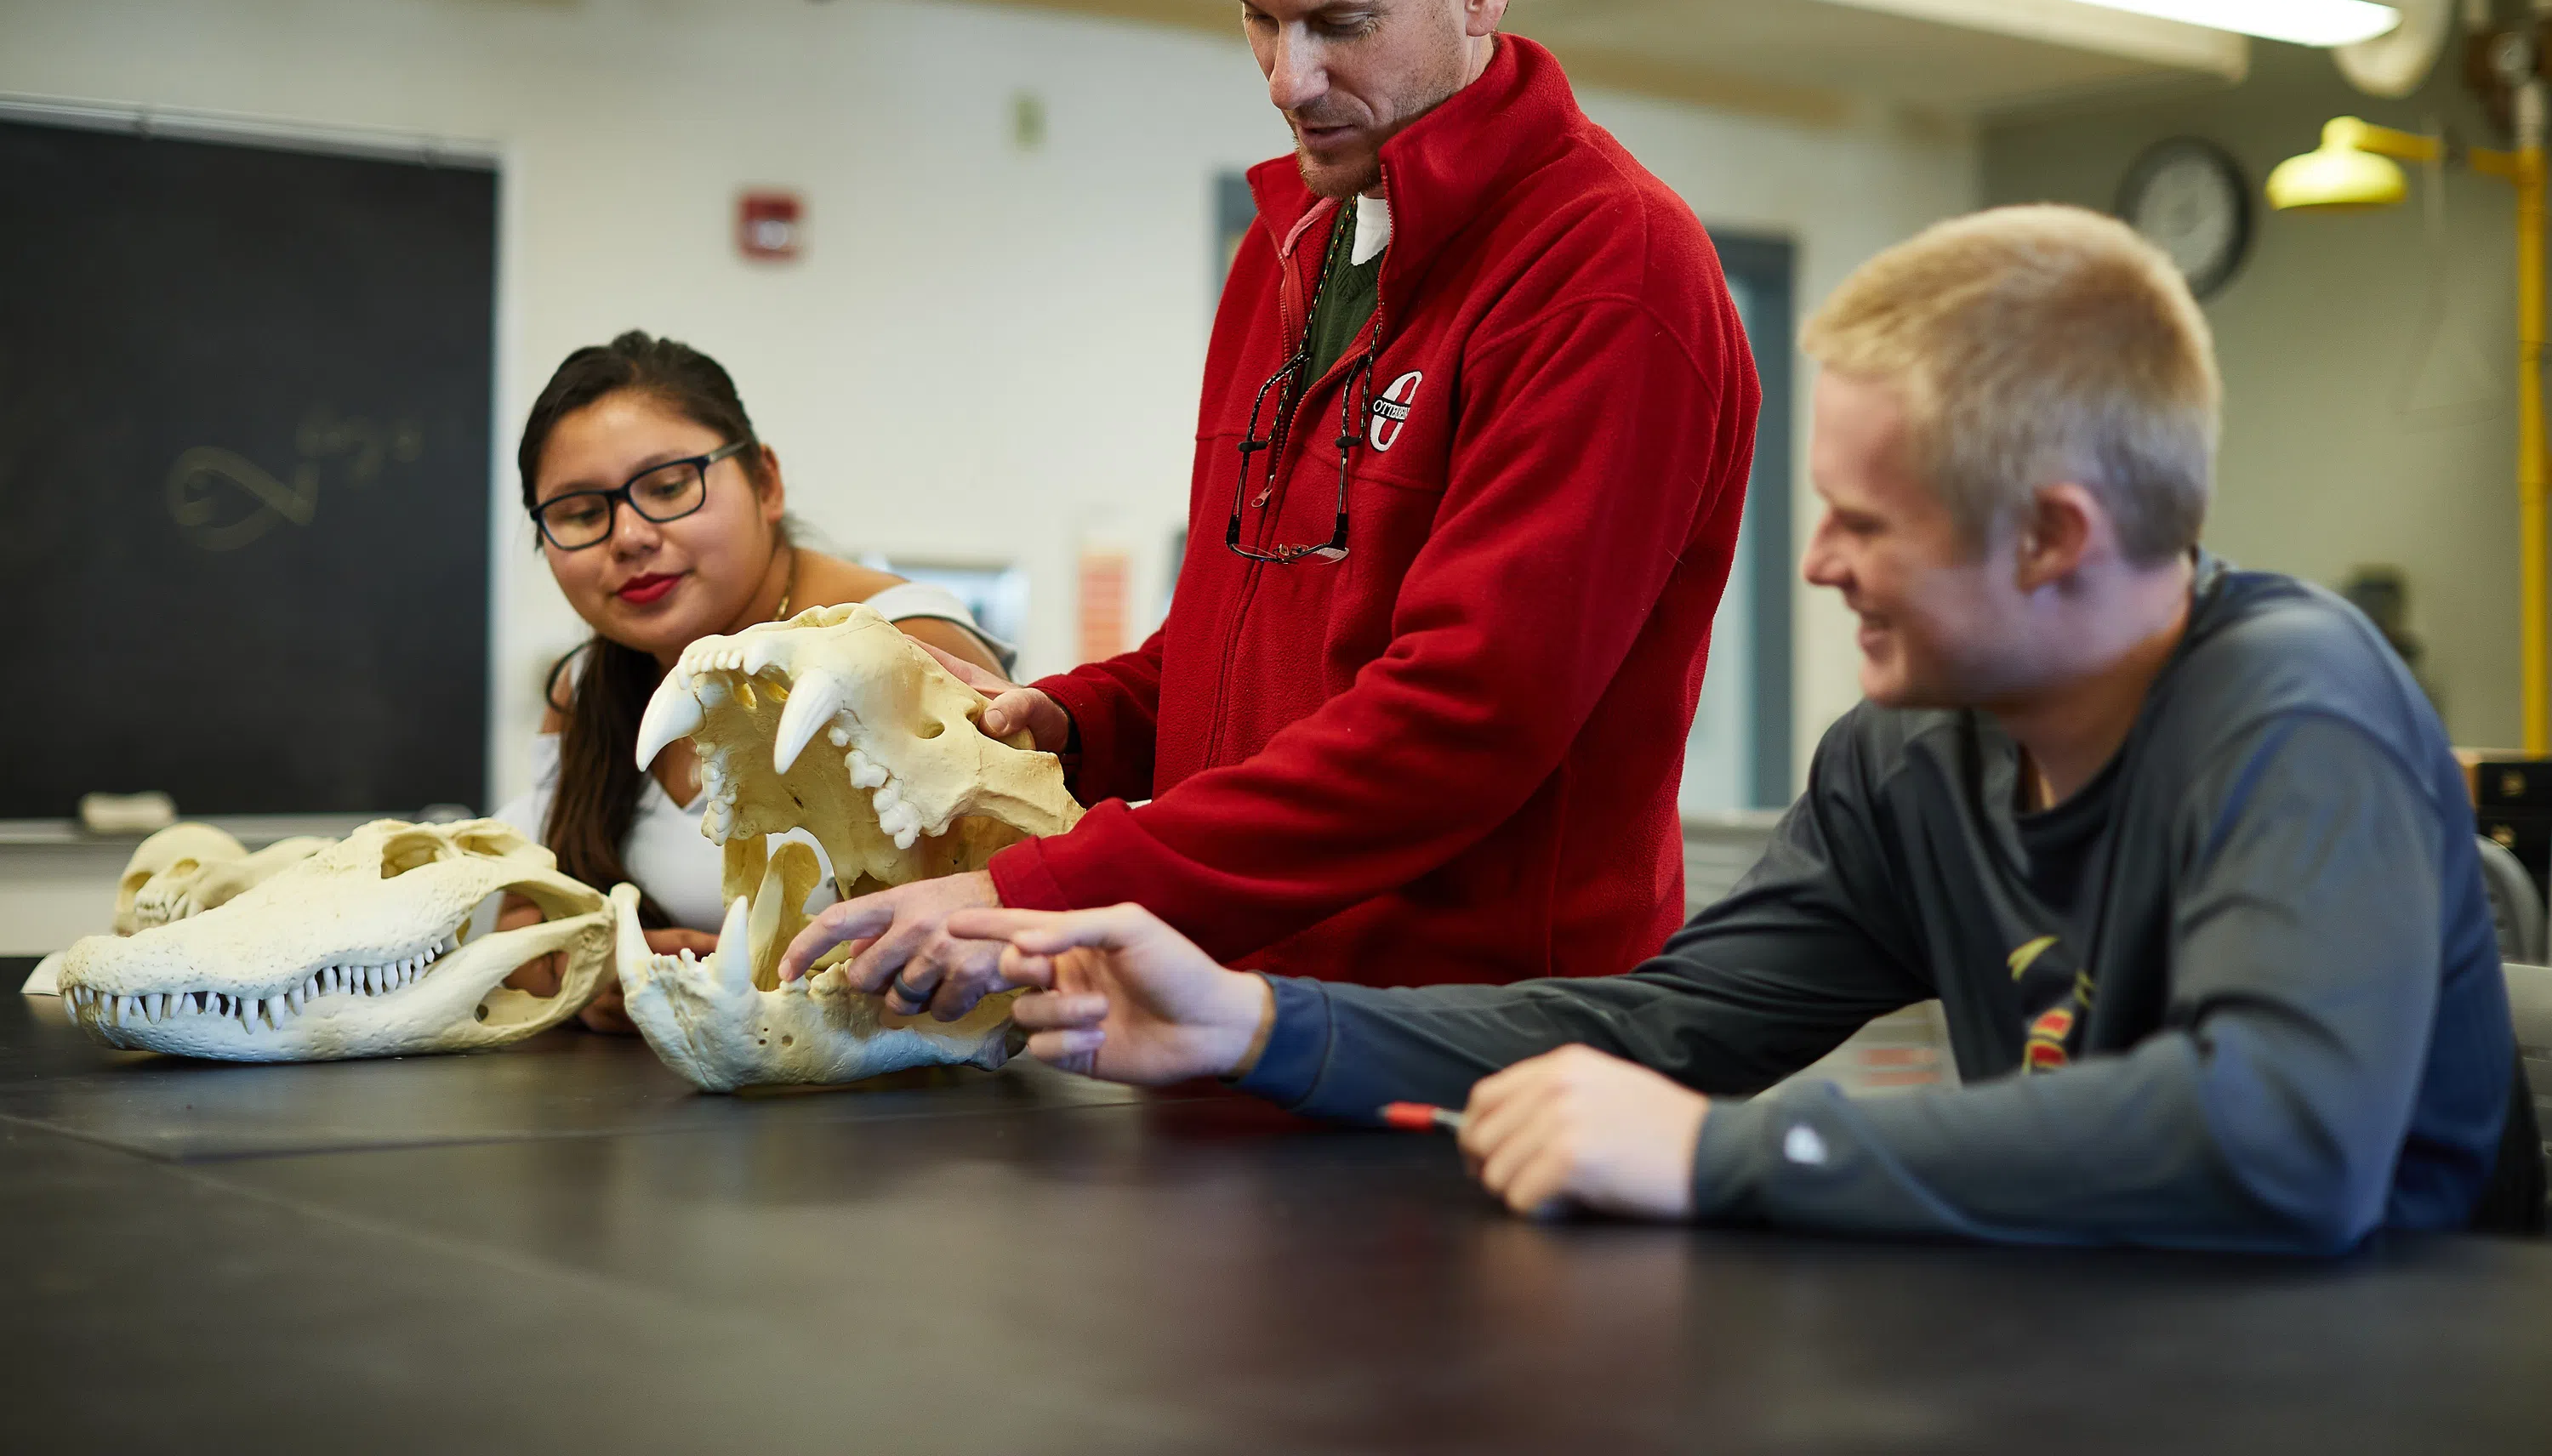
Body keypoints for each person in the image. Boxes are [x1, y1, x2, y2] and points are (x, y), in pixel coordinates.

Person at [944, 205, 2546, 1251]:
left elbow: (2281, 1142)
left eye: (1868, 522)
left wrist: (1730, 1161)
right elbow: (1670, 1029)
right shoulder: (1912, 759)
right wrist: (1259, 1025)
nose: (1819, 561)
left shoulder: (2298, 713)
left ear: (2053, 538)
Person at [780, 0, 1761, 1023]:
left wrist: (1048, 886)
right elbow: (1261, 629)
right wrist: (1079, 724)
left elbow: (1460, 720)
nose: (1287, 78)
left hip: (1471, 1037)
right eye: (1257, 16)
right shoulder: (1291, 238)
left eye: (1340, 25)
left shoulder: (1609, 271)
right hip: (1229, 1014)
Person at [493, 331, 1007, 1031]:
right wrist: (592, 968)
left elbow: (999, 923)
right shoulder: (588, 686)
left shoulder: (908, 647)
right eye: (581, 513)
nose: (629, 536)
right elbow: (521, 924)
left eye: (669, 487)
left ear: (766, 482)